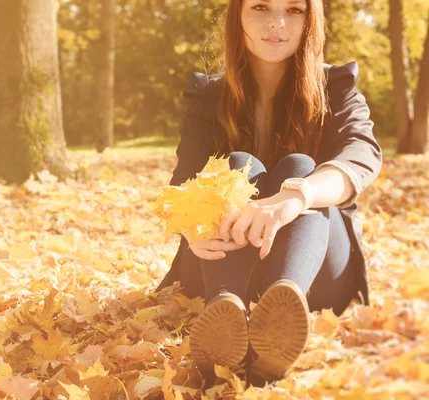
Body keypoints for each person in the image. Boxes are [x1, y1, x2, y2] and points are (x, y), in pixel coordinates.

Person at [155, 0, 383, 385]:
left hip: (315, 271)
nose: (277, 23)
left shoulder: (337, 86)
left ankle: (283, 314)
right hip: (217, 268)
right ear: (237, 16)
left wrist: (296, 195)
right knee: (239, 163)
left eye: (294, 10)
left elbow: (363, 154)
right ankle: (224, 319)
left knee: (298, 167)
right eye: (260, 7)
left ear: (311, 19)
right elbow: (183, 182)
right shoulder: (208, 95)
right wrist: (194, 227)